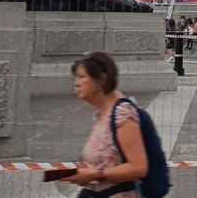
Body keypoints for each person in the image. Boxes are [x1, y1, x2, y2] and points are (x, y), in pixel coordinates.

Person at [64, 51, 149, 197]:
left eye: (82, 77)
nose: (76, 83)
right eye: (76, 77)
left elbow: (139, 167)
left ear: (101, 81)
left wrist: (96, 175)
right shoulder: (102, 114)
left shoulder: (122, 115)